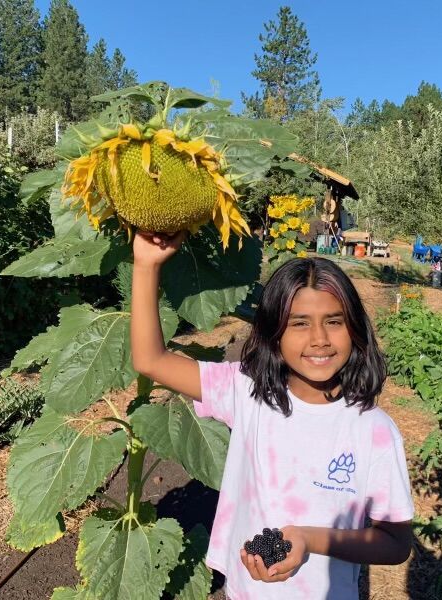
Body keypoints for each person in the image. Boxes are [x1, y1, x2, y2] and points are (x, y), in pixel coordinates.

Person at [131, 231, 414, 600]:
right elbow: (151, 360)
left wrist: (308, 540)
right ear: (274, 333)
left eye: (334, 321)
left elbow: (395, 543)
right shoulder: (247, 392)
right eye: (299, 323)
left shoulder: (374, 430)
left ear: (355, 330)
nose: (319, 339)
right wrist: (146, 265)